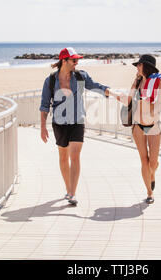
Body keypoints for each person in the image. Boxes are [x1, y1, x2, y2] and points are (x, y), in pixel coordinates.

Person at [39, 47, 114, 206]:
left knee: (75, 155)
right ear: (64, 61)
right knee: (63, 157)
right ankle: (68, 188)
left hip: (78, 121)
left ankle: (72, 193)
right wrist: (43, 127)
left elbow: (96, 86)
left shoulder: (80, 77)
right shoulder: (51, 81)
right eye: (74, 60)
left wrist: (111, 92)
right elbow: (45, 105)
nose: (76, 63)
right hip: (59, 123)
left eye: (77, 60)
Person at [114, 55, 161, 204]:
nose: (137, 68)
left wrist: (143, 102)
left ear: (146, 66)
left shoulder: (158, 83)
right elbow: (129, 99)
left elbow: (157, 106)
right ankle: (149, 192)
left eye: (139, 65)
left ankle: (152, 174)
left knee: (153, 162)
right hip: (138, 125)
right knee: (144, 160)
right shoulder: (137, 81)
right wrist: (117, 96)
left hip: (153, 125)